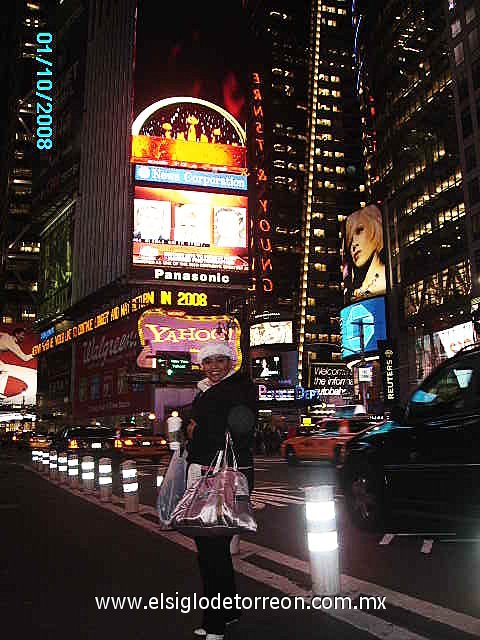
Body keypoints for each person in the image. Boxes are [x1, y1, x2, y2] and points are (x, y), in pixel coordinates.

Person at [186, 341, 256, 640]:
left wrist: (194, 430)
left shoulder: (237, 389)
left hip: (224, 476)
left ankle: (215, 621)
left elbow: (240, 430)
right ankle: (228, 610)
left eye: (219, 361)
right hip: (212, 473)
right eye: (207, 362)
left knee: (211, 550)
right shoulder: (208, 389)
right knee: (213, 549)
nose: (213, 366)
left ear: (231, 362)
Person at [343, 204, 386, 301]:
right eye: (350, 242)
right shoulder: (358, 288)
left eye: (359, 231)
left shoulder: (386, 278)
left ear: (375, 228)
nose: (353, 244)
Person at [0, 328, 36, 402]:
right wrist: (35, 353)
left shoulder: (6, 335)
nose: (23, 337)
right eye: (22, 335)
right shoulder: (12, 344)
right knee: (5, 370)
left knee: (4, 370)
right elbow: (25, 358)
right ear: (16, 334)